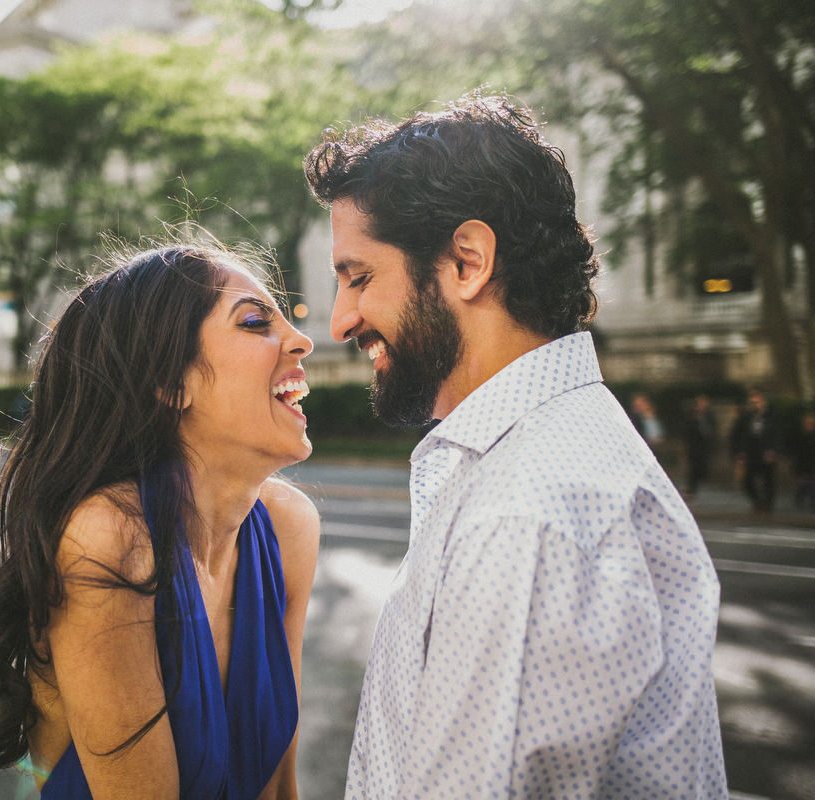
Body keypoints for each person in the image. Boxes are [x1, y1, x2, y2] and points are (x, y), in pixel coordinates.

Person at [305, 93, 726, 797]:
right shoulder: (549, 454)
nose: (342, 320)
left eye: (359, 276)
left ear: (468, 261)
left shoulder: (524, 517)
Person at [0, 244, 320, 798]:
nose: (302, 340)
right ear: (170, 384)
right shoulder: (111, 538)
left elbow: (277, 783)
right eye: (253, 322)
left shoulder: (289, 526)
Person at [730, 388, 780, 513]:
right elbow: (739, 435)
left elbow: (777, 435)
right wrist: (740, 453)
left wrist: (773, 450)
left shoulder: (772, 416)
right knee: (748, 480)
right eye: (753, 402)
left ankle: (768, 505)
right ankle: (757, 501)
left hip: (767, 452)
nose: (755, 405)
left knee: (768, 480)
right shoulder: (747, 417)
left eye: (757, 402)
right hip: (751, 452)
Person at [684, 394, 717, 498]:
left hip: (705, 446)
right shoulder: (692, 415)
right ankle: (692, 488)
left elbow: (712, 430)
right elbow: (687, 430)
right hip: (694, 446)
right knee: (694, 467)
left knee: (703, 466)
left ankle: (701, 482)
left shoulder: (710, 416)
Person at [791, 410, 815, 511]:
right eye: (806, 423)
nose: (808, 425)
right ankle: (800, 500)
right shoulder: (799, 435)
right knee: (802, 484)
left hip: (812, 464)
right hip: (802, 464)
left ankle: (812, 503)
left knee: (811, 485)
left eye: (810, 423)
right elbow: (796, 451)